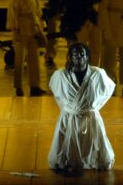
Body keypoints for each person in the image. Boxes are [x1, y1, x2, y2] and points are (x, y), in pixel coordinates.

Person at [48, 43, 115, 172]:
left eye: (81, 54)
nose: (78, 57)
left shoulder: (98, 74)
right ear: (70, 57)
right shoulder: (60, 75)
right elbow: (56, 91)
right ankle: (68, 160)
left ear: (87, 56)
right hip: (69, 115)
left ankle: (94, 160)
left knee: (93, 144)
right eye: (75, 54)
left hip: (89, 115)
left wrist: (94, 106)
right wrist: (68, 107)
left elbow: (108, 89)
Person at [6, 0, 46, 97]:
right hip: (21, 27)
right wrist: (15, 28)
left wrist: (41, 26)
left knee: (34, 58)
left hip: (33, 27)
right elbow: (12, 12)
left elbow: (38, 11)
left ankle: (35, 85)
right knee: (19, 59)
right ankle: (18, 86)